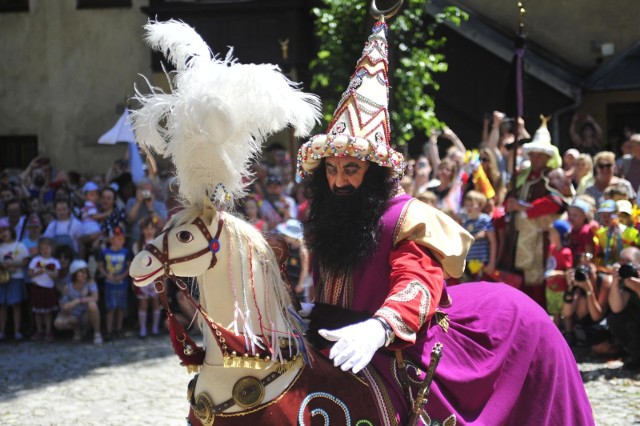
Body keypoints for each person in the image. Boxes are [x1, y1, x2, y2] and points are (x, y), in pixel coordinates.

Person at [296, 18, 593, 425]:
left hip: (393, 342)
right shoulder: (331, 215)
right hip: (340, 339)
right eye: (330, 169)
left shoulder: (406, 218)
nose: (338, 179)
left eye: (351, 168)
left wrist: (379, 328)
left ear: (376, 171)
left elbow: (417, 281)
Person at [502, 117, 566, 308]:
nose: (535, 158)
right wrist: (511, 203)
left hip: (540, 234)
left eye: (540, 155)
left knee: (535, 276)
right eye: (533, 154)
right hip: (517, 233)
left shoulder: (554, 175)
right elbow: (508, 196)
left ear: (547, 157)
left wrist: (524, 207)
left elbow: (556, 202)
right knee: (517, 275)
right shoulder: (522, 174)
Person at [54, 259, 102, 345]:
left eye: (85, 273)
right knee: (58, 323)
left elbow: (95, 298)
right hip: (74, 315)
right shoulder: (68, 287)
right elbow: (63, 303)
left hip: (86, 314)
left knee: (92, 305)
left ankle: (97, 333)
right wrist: (65, 307)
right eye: (81, 273)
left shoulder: (90, 282)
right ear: (74, 274)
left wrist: (78, 301)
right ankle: (77, 331)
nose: (84, 275)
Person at [607, 246, 640, 370]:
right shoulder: (626, 279)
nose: (624, 265)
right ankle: (636, 357)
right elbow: (616, 308)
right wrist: (615, 282)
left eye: (628, 262)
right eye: (622, 261)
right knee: (614, 319)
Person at [97, 226, 132, 339]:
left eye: (122, 239)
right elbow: (100, 266)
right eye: (118, 238)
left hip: (122, 283)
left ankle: (118, 329)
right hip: (109, 284)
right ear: (111, 239)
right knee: (110, 307)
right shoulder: (105, 252)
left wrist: (122, 275)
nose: (120, 241)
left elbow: (129, 266)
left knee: (120, 306)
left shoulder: (126, 252)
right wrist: (107, 275)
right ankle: (109, 330)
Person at [132, 216, 162, 337]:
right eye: (146, 229)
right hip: (143, 277)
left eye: (151, 228)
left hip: (156, 278)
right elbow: (135, 264)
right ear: (142, 230)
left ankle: (155, 328)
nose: (149, 231)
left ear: (155, 230)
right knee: (143, 303)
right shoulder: (137, 245)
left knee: (155, 301)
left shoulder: (159, 244)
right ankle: (143, 329)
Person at [0, 217, 29, 341]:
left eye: (5, 230)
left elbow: (26, 260)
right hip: (2, 279)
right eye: (1, 231)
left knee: (16, 305)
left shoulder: (20, 246)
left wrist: (14, 265)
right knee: (2, 305)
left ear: (11, 231)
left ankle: (17, 331)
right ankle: (2, 331)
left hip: (16, 277)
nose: (3, 233)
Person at [27, 238, 60, 342]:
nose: (45, 250)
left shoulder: (54, 261)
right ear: (39, 250)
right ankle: (39, 330)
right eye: (42, 249)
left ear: (51, 249)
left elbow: (56, 275)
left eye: (47, 248)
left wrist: (46, 271)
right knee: (37, 311)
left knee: (48, 312)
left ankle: (48, 331)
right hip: (37, 287)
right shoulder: (35, 260)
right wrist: (38, 272)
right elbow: (30, 273)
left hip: (48, 288)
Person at [460, 190, 496, 281]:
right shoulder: (466, 223)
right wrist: (476, 237)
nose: (468, 208)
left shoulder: (484, 220)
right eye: (466, 205)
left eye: (471, 205)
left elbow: (493, 242)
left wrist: (492, 263)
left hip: (482, 263)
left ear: (480, 206)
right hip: (468, 263)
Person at [544, 220, 573, 328]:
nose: (549, 236)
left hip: (562, 289)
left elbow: (569, 273)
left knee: (566, 315)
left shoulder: (566, 252)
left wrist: (556, 274)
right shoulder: (551, 248)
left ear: (559, 235)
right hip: (551, 287)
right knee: (554, 313)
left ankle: (569, 334)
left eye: (552, 233)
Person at [275, 218, 311, 303]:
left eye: (285, 235)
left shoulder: (302, 250)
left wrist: (301, 284)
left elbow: (304, 269)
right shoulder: (289, 247)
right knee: (290, 302)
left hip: (298, 280)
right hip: (291, 280)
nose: (284, 236)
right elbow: (286, 264)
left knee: (300, 303)